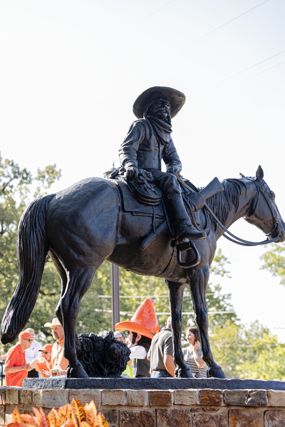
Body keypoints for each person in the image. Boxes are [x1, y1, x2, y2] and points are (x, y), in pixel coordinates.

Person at [118, 86, 206, 251]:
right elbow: (127, 148)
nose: (164, 107)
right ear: (150, 107)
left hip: (158, 175)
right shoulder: (141, 125)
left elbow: (174, 159)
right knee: (170, 181)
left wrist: (174, 168)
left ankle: (179, 231)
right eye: (159, 103)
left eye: (166, 105)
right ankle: (183, 227)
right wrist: (130, 165)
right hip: (142, 171)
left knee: (181, 185)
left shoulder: (166, 134)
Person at [115, 298, 160, 378]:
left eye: (129, 333)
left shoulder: (140, 349)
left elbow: (121, 355)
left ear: (138, 336)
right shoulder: (151, 348)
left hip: (143, 386)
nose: (128, 336)